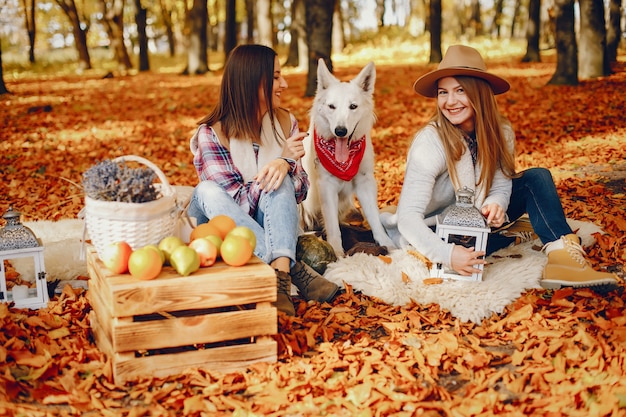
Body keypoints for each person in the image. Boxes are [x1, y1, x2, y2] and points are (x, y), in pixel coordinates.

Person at [381, 44, 618, 289]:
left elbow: (503, 180)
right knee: (471, 251)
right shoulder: (430, 141)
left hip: (478, 217)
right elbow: (408, 218)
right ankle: (507, 236)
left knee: (537, 178)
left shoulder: (500, 132)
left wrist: (496, 202)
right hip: (440, 229)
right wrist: (448, 254)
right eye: (443, 92)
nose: (449, 102)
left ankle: (562, 258)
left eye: (460, 90)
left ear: (479, 92)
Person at [187, 44, 339, 316]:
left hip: (273, 222)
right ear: (252, 82)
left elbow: (301, 191)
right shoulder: (212, 134)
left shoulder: (285, 122)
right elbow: (235, 206)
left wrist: (286, 164)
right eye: (276, 77)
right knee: (207, 190)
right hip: (225, 227)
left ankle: (279, 283)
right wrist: (278, 162)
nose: (285, 84)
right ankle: (293, 269)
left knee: (279, 181)